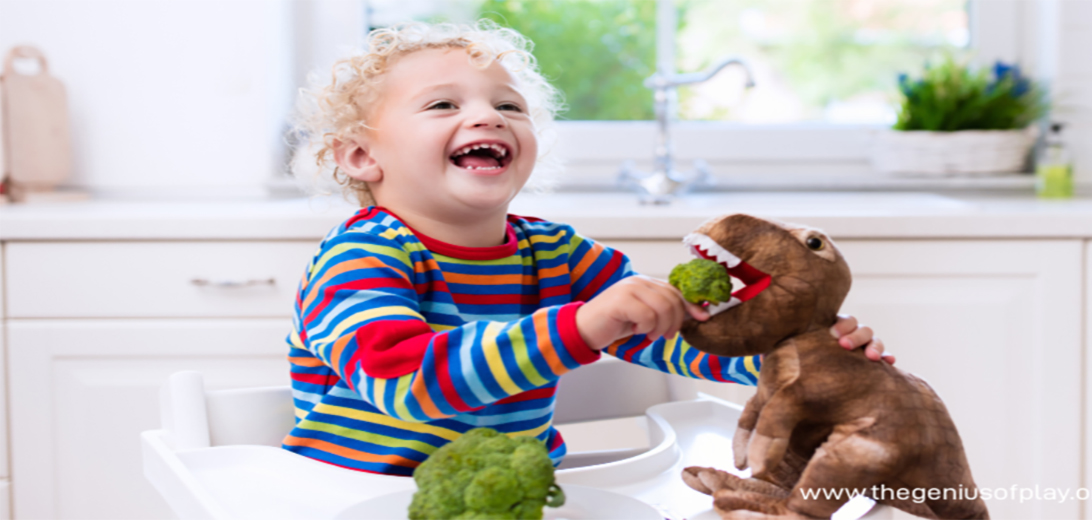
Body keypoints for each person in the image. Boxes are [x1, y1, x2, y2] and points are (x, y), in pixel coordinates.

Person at [283, 21, 892, 476]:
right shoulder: (362, 256)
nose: (488, 117)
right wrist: (584, 324)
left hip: (526, 492)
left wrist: (788, 361)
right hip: (353, 497)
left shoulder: (555, 251)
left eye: (508, 106)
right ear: (362, 156)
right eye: (444, 104)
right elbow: (406, 379)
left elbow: (659, 329)